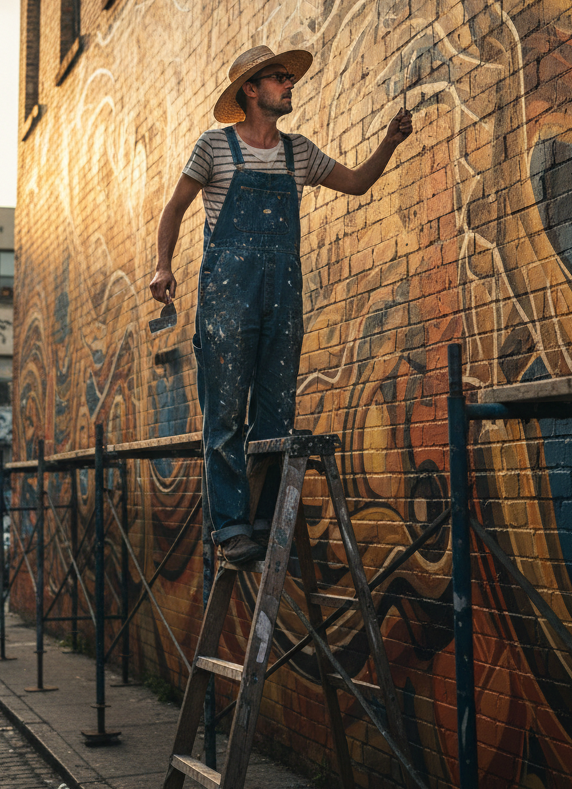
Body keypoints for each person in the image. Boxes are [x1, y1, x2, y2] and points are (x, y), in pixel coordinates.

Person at [149, 44, 413, 564]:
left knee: (276, 414)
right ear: (251, 89)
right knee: (224, 416)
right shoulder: (214, 148)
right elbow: (174, 209)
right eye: (278, 78)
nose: (289, 84)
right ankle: (229, 528)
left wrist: (390, 142)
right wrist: (163, 266)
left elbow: (358, 184)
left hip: (282, 300)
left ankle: (266, 521)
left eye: (288, 78)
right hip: (227, 300)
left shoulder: (302, 154)